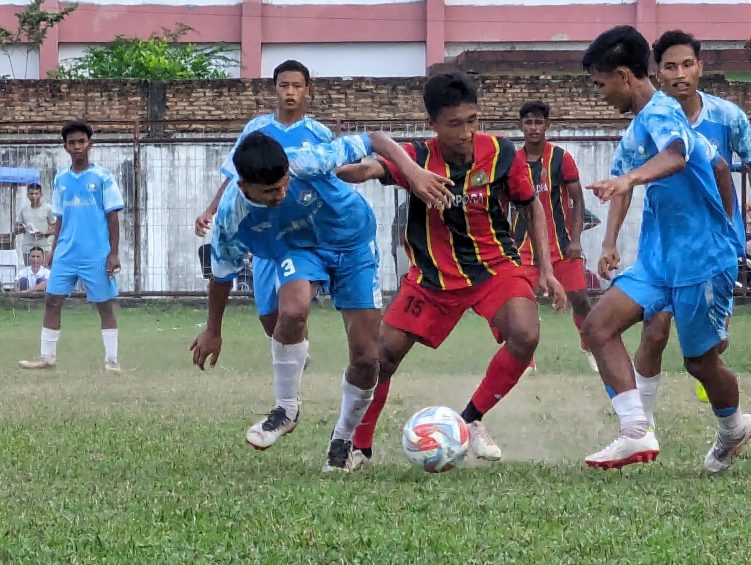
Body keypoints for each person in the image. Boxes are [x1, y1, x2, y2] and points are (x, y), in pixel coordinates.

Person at [336, 72, 568, 468]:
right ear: (433, 124)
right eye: (454, 124)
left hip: (494, 267)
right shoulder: (417, 159)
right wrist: (328, 169)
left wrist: (546, 269)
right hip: (431, 278)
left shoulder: (500, 152)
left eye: (472, 120)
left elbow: (531, 204)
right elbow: (369, 170)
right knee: (380, 358)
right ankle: (359, 446)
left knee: (526, 333)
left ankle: (471, 420)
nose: (465, 132)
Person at [189, 129, 452, 473]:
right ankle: (286, 409)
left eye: (284, 184)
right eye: (269, 191)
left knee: (366, 358)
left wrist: (413, 173)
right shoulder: (231, 217)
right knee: (293, 309)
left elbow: (374, 139)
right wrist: (213, 329)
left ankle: (342, 440)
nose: (280, 194)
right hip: (300, 248)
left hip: (353, 243)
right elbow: (221, 275)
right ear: (243, 187)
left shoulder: (308, 161)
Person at [580, 26, 751, 474]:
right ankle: (635, 432)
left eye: (601, 85)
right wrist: (610, 234)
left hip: (700, 260)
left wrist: (727, 237)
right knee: (599, 326)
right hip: (659, 258)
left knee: (700, 362)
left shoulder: (661, 114)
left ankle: (734, 426)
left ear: (623, 75)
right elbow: (715, 164)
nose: (600, 94)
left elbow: (677, 156)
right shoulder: (641, 125)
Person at [619, 30, 751, 419]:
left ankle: (721, 397)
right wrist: (610, 242)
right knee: (653, 331)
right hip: (663, 244)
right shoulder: (652, 119)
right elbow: (626, 177)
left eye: (687, 64)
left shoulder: (725, 115)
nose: (680, 73)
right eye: (670, 66)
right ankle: (642, 426)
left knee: (706, 351)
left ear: (700, 67)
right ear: (658, 72)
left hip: (713, 244)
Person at [194, 60, 330, 369]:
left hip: (301, 234)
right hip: (263, 231)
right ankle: (298, 359)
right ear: (275, 89)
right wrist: (211, 208)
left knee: (292, 308)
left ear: (307, 90)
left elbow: (329, 181)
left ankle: (293, 374)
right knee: (270, 315)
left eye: (296, 86)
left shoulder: (319, 134)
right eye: (284, 86)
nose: (290, 92)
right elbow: (235, 175)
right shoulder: (256, 129)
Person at [19, 121, 124, 372]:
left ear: (90, 144)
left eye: (81, 142)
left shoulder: (102, 177)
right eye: (71, 143)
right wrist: (54, 251)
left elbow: (113, 216)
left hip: (95, 253)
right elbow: (60, 219)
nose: (77, 147)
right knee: (52, 300)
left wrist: (114, 252)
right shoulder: (61, 179)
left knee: (104, 304)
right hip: (66, 253)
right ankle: (47, 357)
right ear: (65, 147)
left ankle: (111, 361)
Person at [512, 100, 597, 373]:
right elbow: (500, 203)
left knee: (581, 299)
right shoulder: (511, 161)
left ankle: (590, 344)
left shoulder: (561, 158)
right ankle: (526, 360)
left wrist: (575, 239)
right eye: (528, 122)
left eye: (538, 122)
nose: (533, 127)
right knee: (520, 303)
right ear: (521, 126)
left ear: (547, 125)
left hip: (560, 246)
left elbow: (577, 201)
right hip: (523, 247)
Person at [14, 183, 55, 265]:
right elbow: (16, 230)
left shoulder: (48, 209)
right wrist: (25, 228)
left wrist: (45, 233)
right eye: (31, 193)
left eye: (36, 193)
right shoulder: (24, 210)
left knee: (45, 274)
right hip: (28, 248)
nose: (34, 196)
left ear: (41, 194)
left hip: (44, 247)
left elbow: (56, 227)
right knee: (29, 273)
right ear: (27, 195)